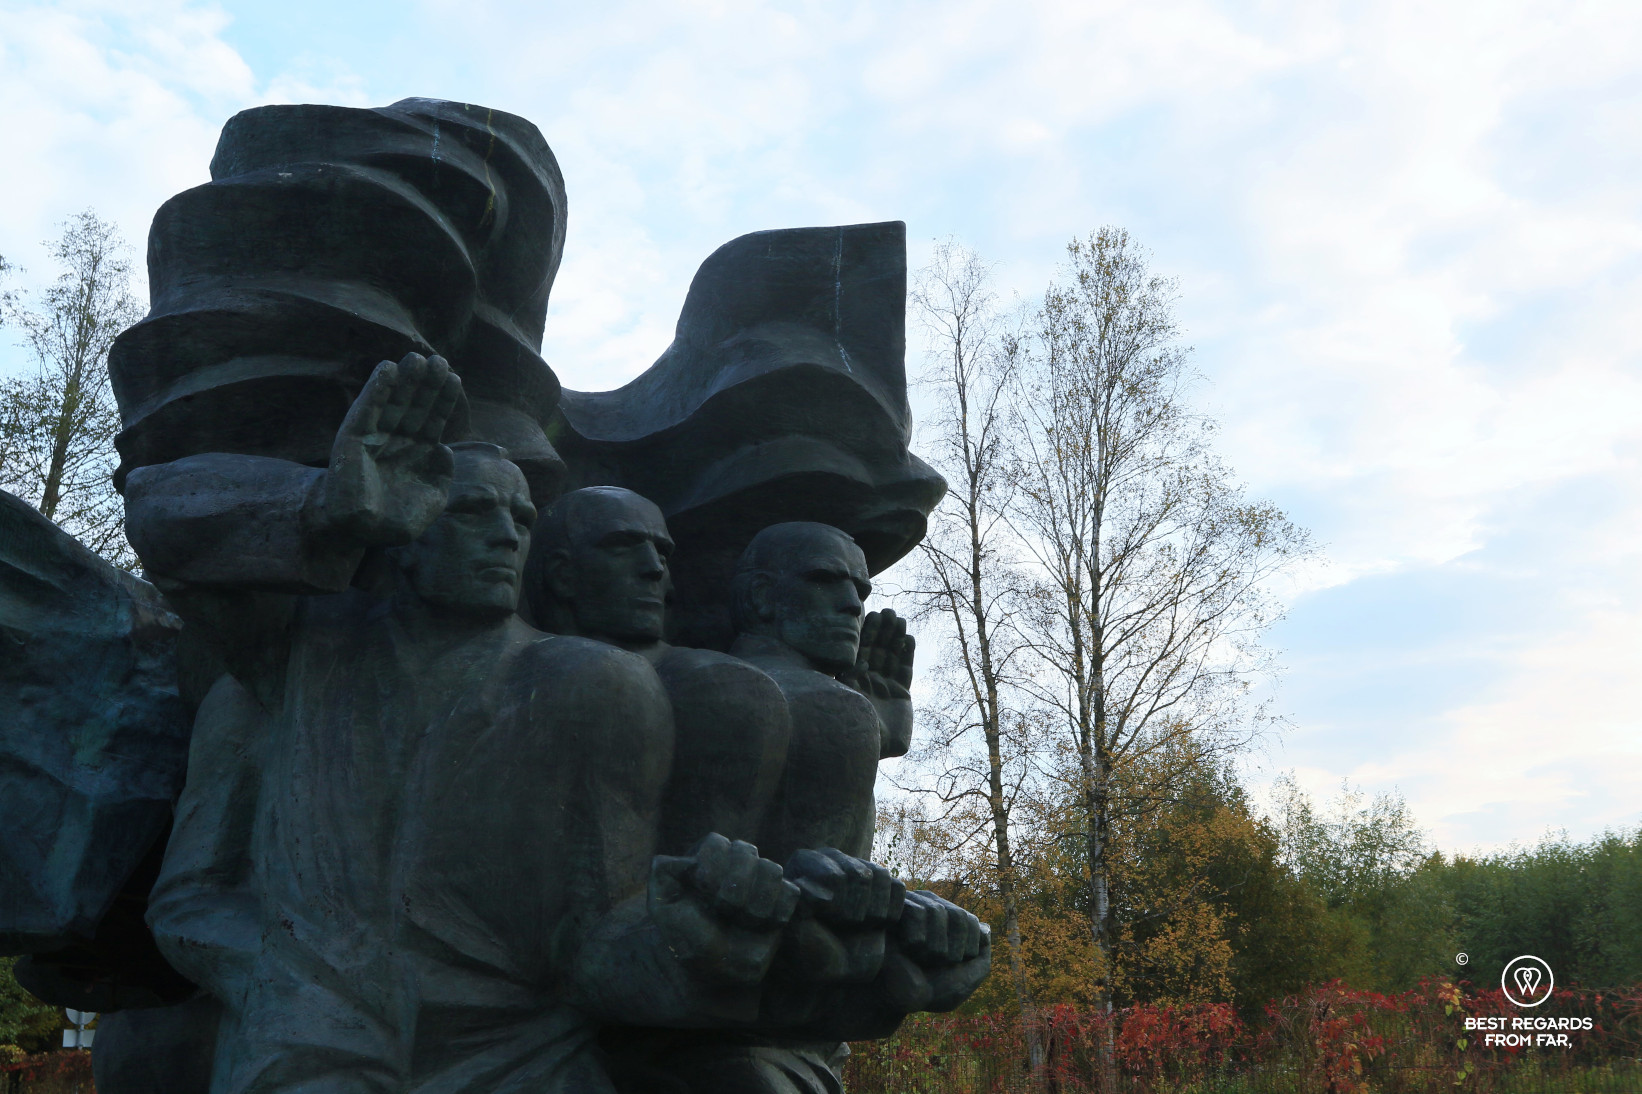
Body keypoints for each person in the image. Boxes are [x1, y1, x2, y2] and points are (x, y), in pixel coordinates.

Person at [129, 354, 797, 1094]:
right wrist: (326, 506)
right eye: (472, 510)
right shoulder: (299, 655)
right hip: (310, 1052)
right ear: (405, 527)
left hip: (525, 1059)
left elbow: (597, 942)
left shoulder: (594, 686)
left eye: (521, 519)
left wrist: (690, 937)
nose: (507, 535)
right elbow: (159, 520)